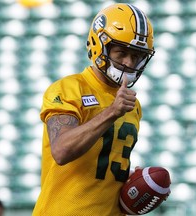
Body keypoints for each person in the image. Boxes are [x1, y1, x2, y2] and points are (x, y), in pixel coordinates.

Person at [32, 3, 155, 216]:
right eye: (121, 52)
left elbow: (103, 168)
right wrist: (111, 112)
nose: (128, 62)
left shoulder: (132, 105)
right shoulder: (69, 89)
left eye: (136, 56)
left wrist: (129, 185)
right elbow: (61, 151)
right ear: (100, 45)